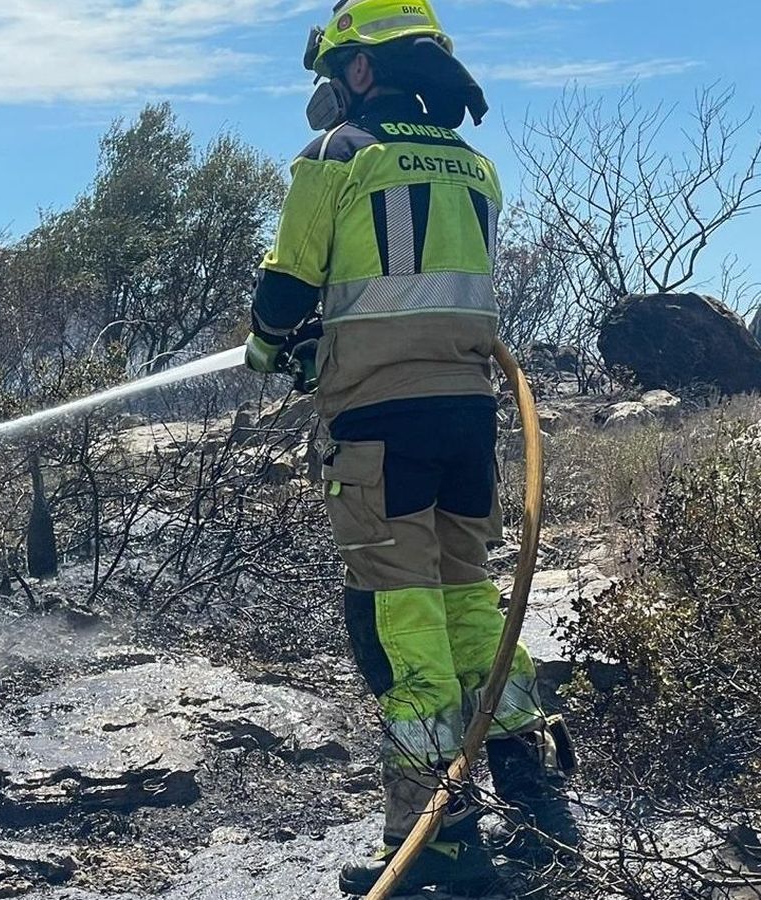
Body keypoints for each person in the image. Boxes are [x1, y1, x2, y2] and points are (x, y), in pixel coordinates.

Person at [243, 1, 583, 895]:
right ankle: (540, 807)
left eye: (336, 71)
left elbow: (287, 289)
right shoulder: (472, 166)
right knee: (470, 601)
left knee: (401, 622)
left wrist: (272, 343)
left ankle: (439, 838)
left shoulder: (339, 154)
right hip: (467, 417)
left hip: (380, 429)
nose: (329, 90)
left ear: (362, 70)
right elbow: (414, 294)